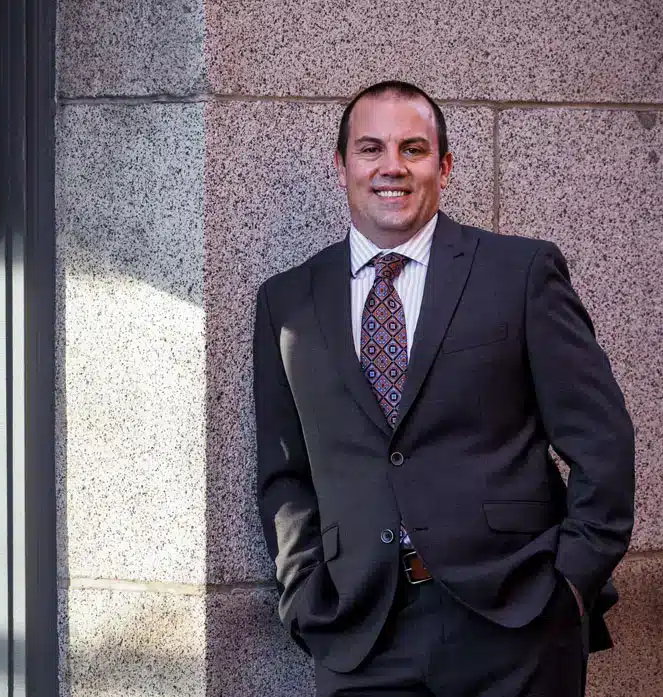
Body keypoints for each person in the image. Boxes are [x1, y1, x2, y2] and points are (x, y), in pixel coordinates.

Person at [253, 81, 635, 697]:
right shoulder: (287, 300)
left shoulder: (520, 273)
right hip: (360, 633)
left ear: (445, 167)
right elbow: (284, 472)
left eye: (413, 148)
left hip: (513, 620)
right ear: (341, 166)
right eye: (371, 148)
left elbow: (602, 440)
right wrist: (303, 592)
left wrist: (571, 582)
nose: (392, 166)